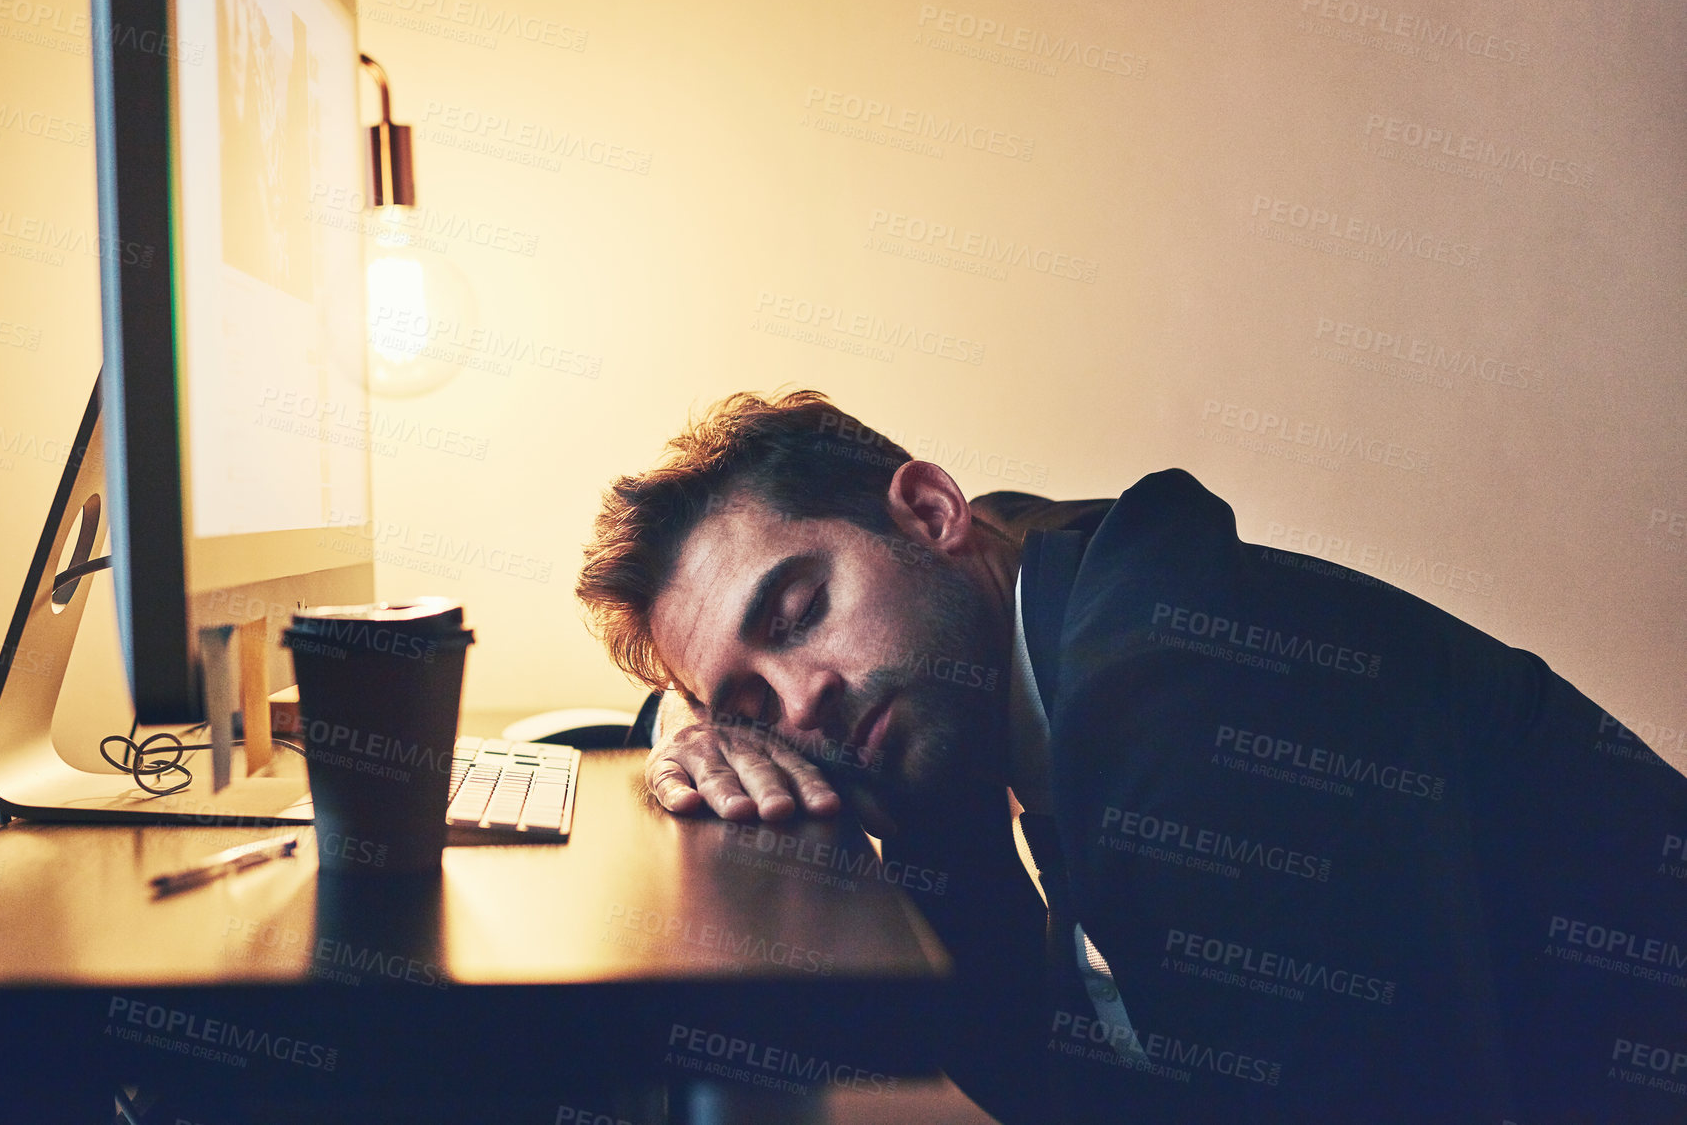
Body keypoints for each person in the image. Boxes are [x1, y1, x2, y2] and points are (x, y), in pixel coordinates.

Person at [576, 390, 1687, 1124]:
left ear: (927, 509)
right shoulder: (1048, 614)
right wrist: (685, 733)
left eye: (803, 607)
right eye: (751, 705)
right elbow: (1055, 1074)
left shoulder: (1175, 694)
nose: (804, 702)